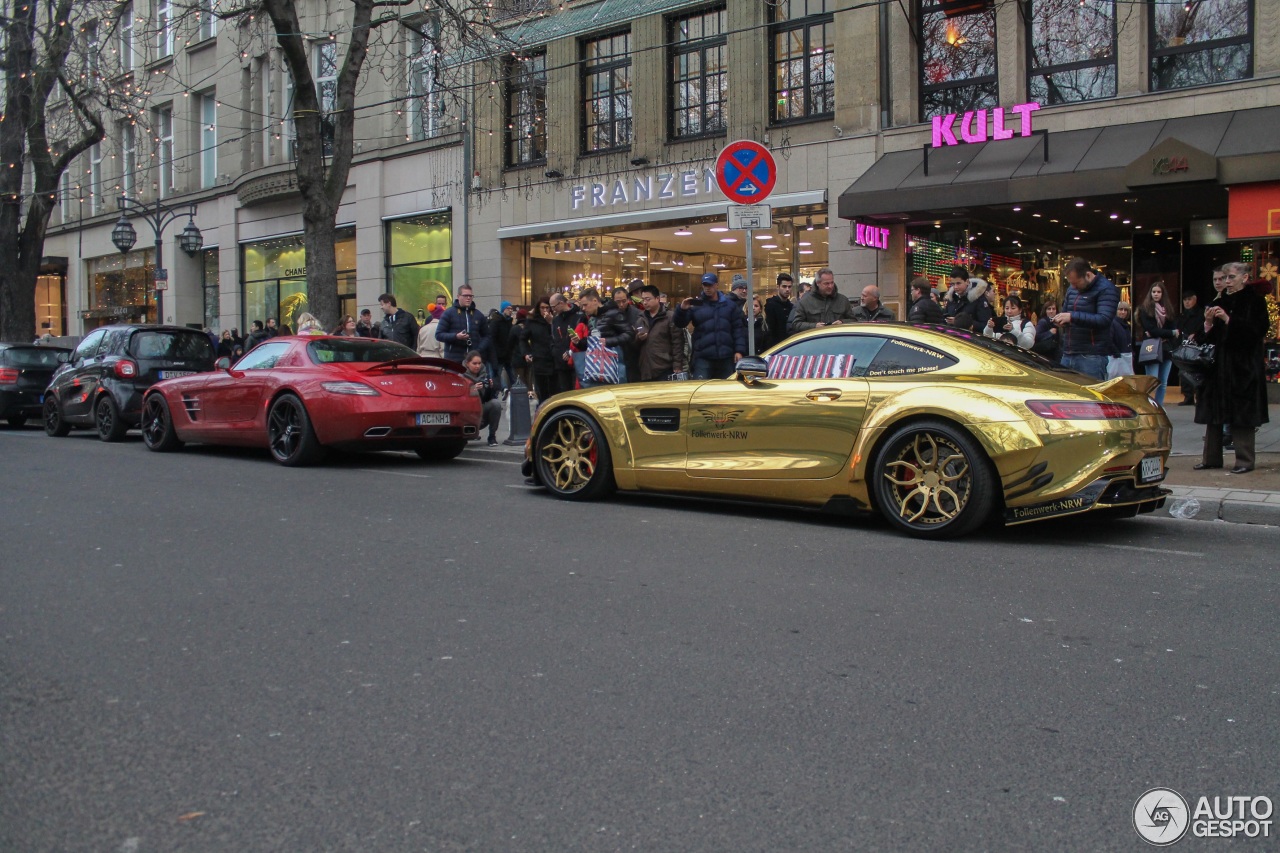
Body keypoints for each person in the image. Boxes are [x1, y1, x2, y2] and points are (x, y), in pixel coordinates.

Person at [1194, 262, 1270, 474]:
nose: (1226, 282)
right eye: (1224, 278)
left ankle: (1244, 460)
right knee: (1214, 414)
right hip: (1218, 367)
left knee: (1242, 415)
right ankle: (1211, 458)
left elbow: (1256, 332)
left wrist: (1229, 320)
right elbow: (1207, 339)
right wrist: (1208, 324)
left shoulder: (1255, 301)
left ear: (1244, 278)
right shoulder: (1222, 300)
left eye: (1231, 277)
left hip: (1243, 367)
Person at [1053, 257, 1118, 381]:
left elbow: (1104, 319)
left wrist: (1071, 317)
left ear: (1088, 275)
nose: (1073, 286)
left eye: (1076, 283)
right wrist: (1062, 320)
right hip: (1069, 351)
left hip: (1092, 355)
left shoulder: (1106, 289)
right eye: (1071, 283)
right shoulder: (1072, 289)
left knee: (1092, 397)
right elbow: (1067, 312)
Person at [674, 273, 747, 380]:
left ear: (716, 285)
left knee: (726, 388)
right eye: (705, 285)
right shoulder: (696, 305)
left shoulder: (729, 305)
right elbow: (680, 323)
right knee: (700, 388)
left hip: (725, 356)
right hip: (703, 357)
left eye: (710, 285)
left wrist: (739, 350)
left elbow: (737, 329)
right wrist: (682, 310)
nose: (707, 288)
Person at [570, 287, 634, 387]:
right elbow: (593, 342)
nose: (583, 308)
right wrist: (578, 342)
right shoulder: (591, 318)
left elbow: (629, 334)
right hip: (597, 367)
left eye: (585, 305)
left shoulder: (614, 313)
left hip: (614, 364)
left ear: (595, 301)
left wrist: (608, 341)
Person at [1136, 281, 1181, 407]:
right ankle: (1149, 408)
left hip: (1166, 348)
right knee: (1152, 381)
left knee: (1163, 382)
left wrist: (1165, 333)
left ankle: (1159, 408)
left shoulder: (1168, 309)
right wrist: (1170, 333)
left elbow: (1174, 328)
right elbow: (1152, 330)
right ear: (1150, 293)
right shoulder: (1145, 309)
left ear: (1163, 293)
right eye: (1154, 292)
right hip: (1151, 347)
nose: (1156, 294)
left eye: (1159, 292)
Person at [636, 284, 688, 381]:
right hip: (646, 368)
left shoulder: (669, 317)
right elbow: (634, 344)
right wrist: (638, 338)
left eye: (648, 299)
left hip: (664, 366)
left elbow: (677, 342)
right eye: (643, 300)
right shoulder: (641, 318)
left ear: (657, 298)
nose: (645, 302)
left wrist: (677, 365)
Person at [789, 268, 857, 333]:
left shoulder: (843, 300)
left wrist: (842, 322)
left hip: (838, 340)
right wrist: (814, 326)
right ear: (818, 283)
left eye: (832, 283)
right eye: (826, 283)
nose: (830, 286)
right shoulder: (805, 301)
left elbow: (854, 321)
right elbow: (796, 324)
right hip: (814, 341)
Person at [435, 284, 490, 363]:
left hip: (472, 361)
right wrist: (456, 336)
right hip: (453, 360)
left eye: (470, 296)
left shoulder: (478, 315)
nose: (468, 298)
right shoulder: (449, 313)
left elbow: (487, 336)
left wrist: (478, 350)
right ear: (458, 296)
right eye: (465, 296)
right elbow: (439, 335)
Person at [461, 350, 503, 447]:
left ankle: (492, 436)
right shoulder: (461, 376)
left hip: (481, 411)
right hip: (467, 413)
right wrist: (473, 389)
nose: (477, 366)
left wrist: (490, 387)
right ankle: (464, 436)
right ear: (467, 364)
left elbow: (488, 398)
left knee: (495, 404)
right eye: (474, 363)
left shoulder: (484, 375)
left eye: (479, 363)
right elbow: (460, 399)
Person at [521, 297, 557, 401]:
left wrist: (551, 323)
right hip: (539, 360)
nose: (545, 310)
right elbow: (523, 339)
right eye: (542, 308)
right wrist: (526, 353)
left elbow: (559, 337)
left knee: (555, 392)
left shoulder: (555, 320)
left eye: (547, 307)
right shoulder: (532, 322)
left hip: (554, 360)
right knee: (541, 392)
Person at [549, 293, 584, 394]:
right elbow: (553, 338)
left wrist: (570, 352)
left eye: (553, 307)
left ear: (561, 303)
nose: (552, 310)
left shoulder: (578, 317)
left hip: (575, 362)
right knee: (563, 392)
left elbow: (581, 338)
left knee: (576, 392)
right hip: (560, 363)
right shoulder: (555, 320)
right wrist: (554, 351)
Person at [941, 265, 993, 331]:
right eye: (953, 284)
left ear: (967, 282)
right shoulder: (952, 298)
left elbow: (985, 325)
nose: (955, 287)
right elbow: (943, 318)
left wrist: (960, 322)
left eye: (958, 283)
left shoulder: (979, 299)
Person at [612, 286, 645, 384]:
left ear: (628, 299)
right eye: (618, 302)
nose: (621, 304)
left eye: (624, 301)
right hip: (615, 358)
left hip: (634, 358)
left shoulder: (638, 314)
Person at [1176, 290, 1202, 405]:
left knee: (1197, 372)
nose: (1187, 302)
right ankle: (1188, 396)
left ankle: (1199, 396)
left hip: (1197, 345)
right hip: (1184, 345)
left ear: (1195, 299)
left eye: (1189, 299)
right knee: (1184, 370)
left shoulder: (1201, 313)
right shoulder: (1182, 315)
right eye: (1185, 300)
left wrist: (1196, 334)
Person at [1107, 300, 1134, 378]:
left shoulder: (1126, 325)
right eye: (1120, 309)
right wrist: (1117, 354)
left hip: (1126, 358)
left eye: (1125, 310)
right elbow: (1109, 340)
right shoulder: (1112, 323)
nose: (1123, 312)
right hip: (1115, 358)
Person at [765, 273, 795, 343]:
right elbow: (770, 331)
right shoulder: (771, 305)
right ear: (778, 287)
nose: (787, 289)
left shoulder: (791, 306)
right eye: (784, 286)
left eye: (789, 287)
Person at [1033, 297, 1062, 363]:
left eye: (1053, 309)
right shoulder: (1043, 321)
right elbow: (1036, 336)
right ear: (1045, 310)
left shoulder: (1056, 321)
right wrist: (1049, 333)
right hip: (1046, 354)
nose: (1051, 311)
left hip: (1054, 353)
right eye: (1049, 309)